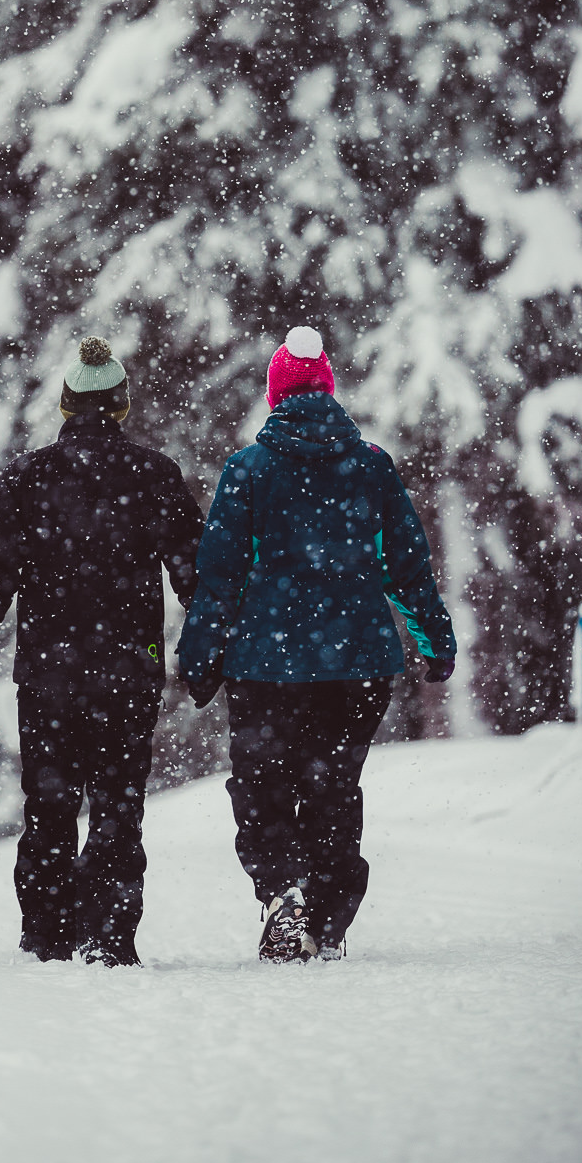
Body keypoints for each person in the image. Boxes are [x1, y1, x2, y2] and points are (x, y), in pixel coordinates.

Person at [177, 326, 455, 964]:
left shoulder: (248, 471)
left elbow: (219, 578)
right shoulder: (371, 468)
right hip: (357, 664)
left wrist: (201, 658)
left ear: (276, 396)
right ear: (328, 392)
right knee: (334, 786)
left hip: (267, 666)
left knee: (263, 785)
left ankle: (282, 894)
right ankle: (328, 915)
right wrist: (433, 639)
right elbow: (406, 567)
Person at [0, 337, 203, 966]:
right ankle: (110, 935)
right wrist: (213, 645)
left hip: (49, 675)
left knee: (50, 803)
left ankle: (48, 933)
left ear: (66, 406)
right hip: (128, 669)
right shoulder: (154, 475)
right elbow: (194, 574)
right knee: (119, 804)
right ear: (120, 405)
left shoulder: (29, 477)